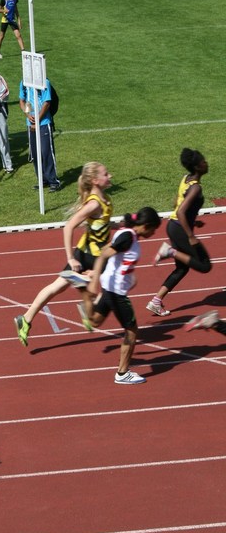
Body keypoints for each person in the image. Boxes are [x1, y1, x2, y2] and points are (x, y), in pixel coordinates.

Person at [14, 162, 113, 346]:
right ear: (95, 180)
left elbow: (101, 224)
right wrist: (70, 258)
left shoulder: (103, 198)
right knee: (112, 288)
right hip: (91, 255)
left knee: (58, 287)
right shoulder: (93, 204)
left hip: (92, 252)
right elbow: (68, 227)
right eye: (106, 174)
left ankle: (26, 318)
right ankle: (86, 302)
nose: (110, 176)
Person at [73, 207, 161, 385]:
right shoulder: (128, 237)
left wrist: (96, 274)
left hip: (109, 287)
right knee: (132, 331)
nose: (153, 233)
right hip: (116, 293)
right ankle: (122, 373)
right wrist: (95, 280)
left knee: (94, 321)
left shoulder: (126, 233)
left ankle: (83, 291)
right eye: (153, 230)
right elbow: (104, 254)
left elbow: (108, 250)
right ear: (145, 226)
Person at [146, 148, 212, 317]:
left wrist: (193, 221)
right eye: (203, 161)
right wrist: (190, 235)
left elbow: (176, 201)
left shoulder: (185, 179)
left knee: (182, 268)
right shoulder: (196, 188)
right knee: (205, 266)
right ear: (197, 167)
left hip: (173, 225)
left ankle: (156, 301)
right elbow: (181, 210)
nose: (206, 163)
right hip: (180, 229)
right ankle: (170, 251)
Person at [19, 77, 60, 192]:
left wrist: (37, 119)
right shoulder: (24, 82)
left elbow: (47, 103)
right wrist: (28, 115)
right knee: (35, 153)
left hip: (44, 122)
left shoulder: (44, 82)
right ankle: (42, 180)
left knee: (46, 152)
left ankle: (53, 181)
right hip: (31, 124)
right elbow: (23, 100)